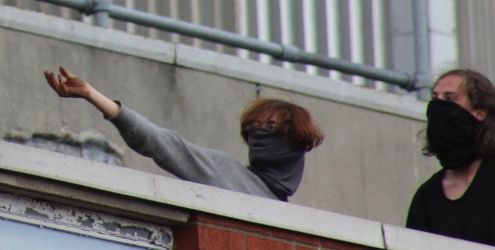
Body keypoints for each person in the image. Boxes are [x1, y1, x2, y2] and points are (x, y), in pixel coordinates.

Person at [43, 66, 324, 201]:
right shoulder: (226, 174)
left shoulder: (295, 223)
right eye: (253, 129)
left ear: (296, 141)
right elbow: (161, 142)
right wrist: (94, 95)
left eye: (270, 128)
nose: (258, 135)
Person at [405, 68, 495, 245]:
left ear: (479, 113)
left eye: (450, 99)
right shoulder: (426, 196)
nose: (439, 106)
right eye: (435, 98)